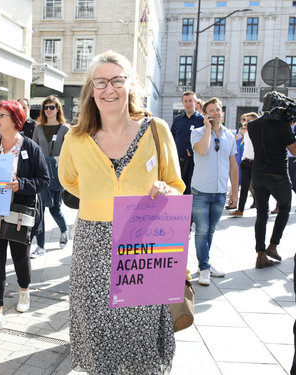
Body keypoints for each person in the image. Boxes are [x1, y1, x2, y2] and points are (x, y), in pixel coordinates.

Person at [58, 50, 185, 374]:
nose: (109, 89)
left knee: (141, 337)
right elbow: (70, 181)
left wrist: (166, 192)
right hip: (93, 246)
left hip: (143, 243)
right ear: (90, 89)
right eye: (100, 82)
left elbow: (175, 183)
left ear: (130, 85)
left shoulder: (156, 130)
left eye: (117, 80)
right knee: (98, 334)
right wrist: (100, 199)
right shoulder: (76, 138)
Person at [0, 100, 49, 335]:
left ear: (16, 120)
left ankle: (24, 289)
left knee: (19, 259)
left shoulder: (30, 148)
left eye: (2, 115)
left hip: (18, 215)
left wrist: (20, 184)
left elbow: (44, 180)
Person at [191, 97, 238, 286]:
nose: (215, 113)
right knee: (201, 231)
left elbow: (233, 165)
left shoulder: (229, 135)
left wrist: (234, 192)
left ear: (222, 112)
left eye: (218, 110)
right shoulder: (197, 133)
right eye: (211, 110)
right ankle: (204, 267)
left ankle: (205, 264)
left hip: (219, 191)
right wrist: (208, 130)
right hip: (201, 191)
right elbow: (202, 150)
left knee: (210, 231)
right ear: (205, 114)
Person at [248, 94, 296, 269]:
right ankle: (273, 246)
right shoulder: (283, 126)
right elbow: (294, 150)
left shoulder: (252, 125)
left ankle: (260, 255)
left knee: (262, 213)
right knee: (284, 208)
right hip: (278, 175)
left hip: (258, 174)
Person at [30, 95, 69, 258]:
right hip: (40, 174)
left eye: (52, 107)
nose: (48, 110)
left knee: (55, 209)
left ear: (57, 109)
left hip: (57, 174)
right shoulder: (38, 128)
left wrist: (54, 160)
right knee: (40, 210)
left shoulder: (65, 129)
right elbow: (33, 149)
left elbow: (69, 153)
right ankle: (40, 246)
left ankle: (64, 230)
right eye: (46, 107)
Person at [171, 91, 205, 194]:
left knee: (191, 189)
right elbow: (171, 138)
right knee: (178, 188)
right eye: (185, 101)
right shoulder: (178, 120)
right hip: (178, 161)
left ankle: (190, 210)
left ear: (195, 102)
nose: (188, 103)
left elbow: (205, 140)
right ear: (183, 103)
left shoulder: (201, 120)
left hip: (194, 161)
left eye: (190, 101)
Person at [229, 112, 258, 217]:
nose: (246, 123)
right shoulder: (246, 134)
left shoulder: (259, 133)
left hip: (256, 163)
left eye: (249, 120)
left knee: (259, 186)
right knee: (244, 187)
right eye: (245, 120)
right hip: (246, 162)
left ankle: (264, 208)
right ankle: (240, 210)